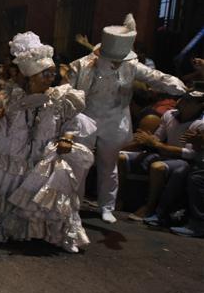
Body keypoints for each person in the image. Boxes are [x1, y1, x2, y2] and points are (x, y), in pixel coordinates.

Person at [69, 15, 187, 223]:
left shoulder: (131, 65)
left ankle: (106, 206)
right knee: (80, 161)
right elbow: (69, 92)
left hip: (115, 119)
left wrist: (177, 86)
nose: (117, 63)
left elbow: (155, 77)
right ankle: (73, 204)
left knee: (108, 163)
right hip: (86, 117)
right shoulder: (83, 65)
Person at [0, 32, 95, 253]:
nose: (50, 78)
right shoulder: (8, 99)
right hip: (13, 157)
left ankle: (39, 232)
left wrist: (67, 138)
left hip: (42, 157)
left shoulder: (61, 98)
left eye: (52, 73)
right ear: (30, 77)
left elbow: (72, 123)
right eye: (45, 74)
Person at [122, 86, 204, 225]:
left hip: (183, 161)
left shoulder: (201, 124)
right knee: (121, 157)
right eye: (184, 98)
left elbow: (190, 154)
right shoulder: (170, 114)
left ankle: (150, 207)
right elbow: (157, 138)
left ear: (200, 105)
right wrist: (148, 140)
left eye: (190, 101)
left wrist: (158, 145)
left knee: (157, 167)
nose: (183, 102)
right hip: (164, 153)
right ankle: (118, 200)